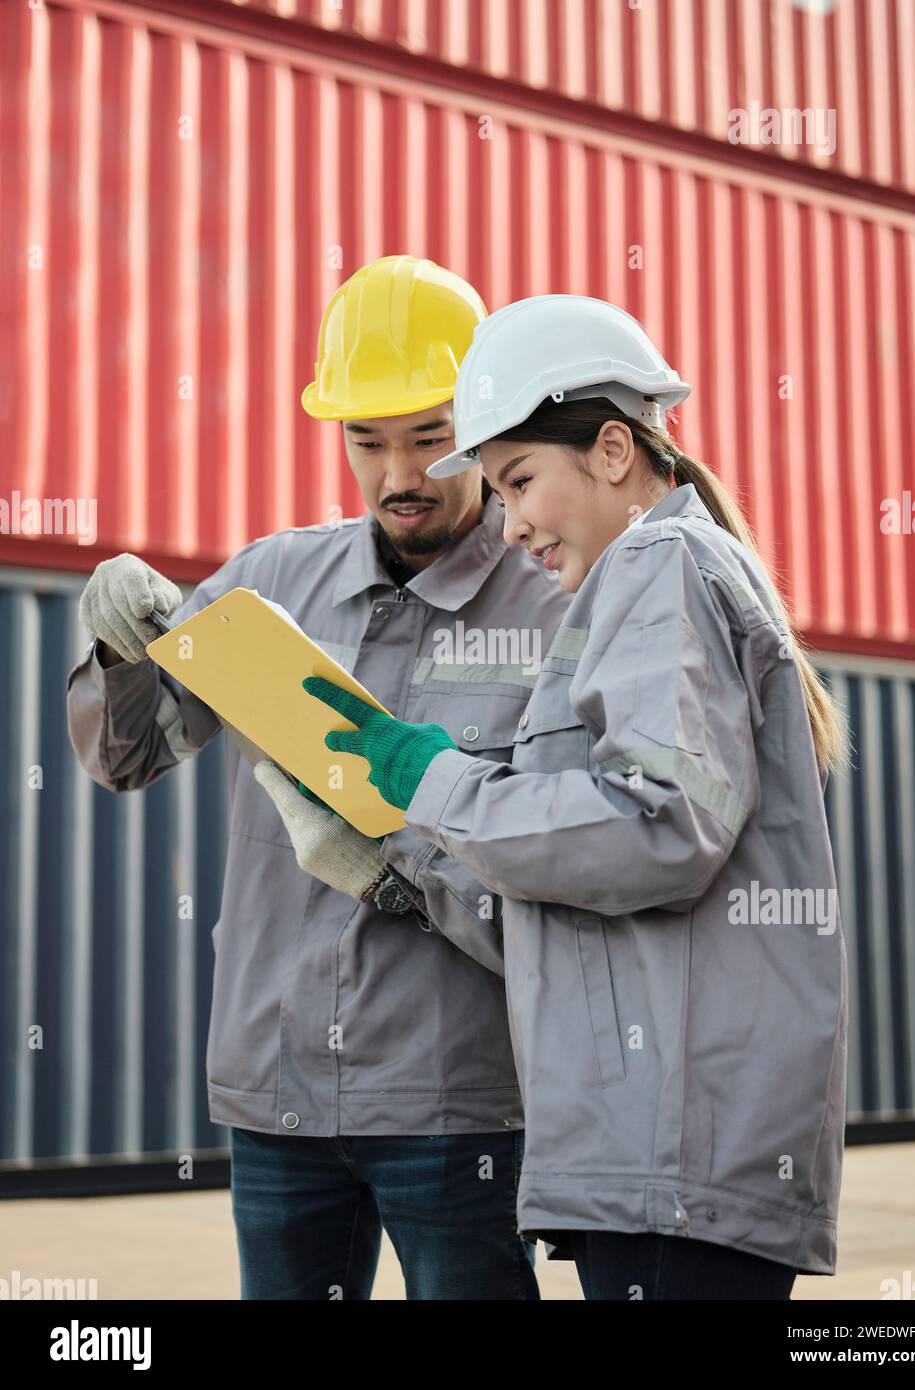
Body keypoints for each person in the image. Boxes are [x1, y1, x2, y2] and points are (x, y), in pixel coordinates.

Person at [298, 293, 850, 1300]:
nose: (509, 527)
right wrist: (401, 862)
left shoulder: (660, 565)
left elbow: (656, 829)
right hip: (657, 1158)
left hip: (675, 1158)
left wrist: (439, 779)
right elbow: (584, 912)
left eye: (518, 480)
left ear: (609, 450)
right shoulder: (653, 574)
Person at [66, 258, 570, 1300]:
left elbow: (570, 863)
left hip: (458, 1101)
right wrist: (121, 655)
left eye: (430, 437)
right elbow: (127, 757)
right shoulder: (268, 582)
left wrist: (400, 871)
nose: (400, 473)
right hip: (281, 1093)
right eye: (366, 440)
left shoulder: (552, 607)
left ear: (479, 422)